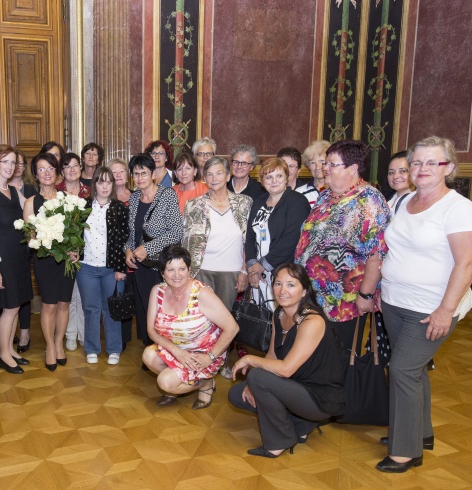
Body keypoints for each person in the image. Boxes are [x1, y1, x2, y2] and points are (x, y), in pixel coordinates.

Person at [377, 136, 472, 473]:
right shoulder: (405, 201)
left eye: (431, 163)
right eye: (416, 163)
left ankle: (405, 451)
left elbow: (468, 265)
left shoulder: (459, 209)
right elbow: (395, 249)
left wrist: (445, 310)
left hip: (431, 308)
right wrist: (382, 289)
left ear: (448, 167)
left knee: (403, 370)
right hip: (394, 302)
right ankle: (419, 433)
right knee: (414, 370)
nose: (421, 169)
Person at [228, 264, 345, 457]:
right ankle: (301, 425)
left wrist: (250, 360)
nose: (283, 290)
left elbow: (285, 370)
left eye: (291, 285)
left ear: (304, 290)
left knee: (257, 376)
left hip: (320, 397)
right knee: (237, 394)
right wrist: (252, 384)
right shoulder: (280, 314)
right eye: (278, 284)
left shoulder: (312, 321)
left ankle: (279, 441)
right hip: (295, 387)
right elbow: (273, 355)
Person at [294, 139, 390, 355]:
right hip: (313, 296)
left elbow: (377, 254)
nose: (324, 168)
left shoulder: (369, 201)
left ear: (353, 169)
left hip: (344, 301)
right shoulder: (327, 195)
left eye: (331, 164)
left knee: (338, 358)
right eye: (324, 163)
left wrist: (366, 295)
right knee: (312, 356)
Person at [143, 245, 239, 409]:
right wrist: (176, 351)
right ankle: (184, 379)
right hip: (177, 349)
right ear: (162, 273)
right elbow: (151, 330)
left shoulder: (201, 293)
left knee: (165, 382)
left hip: (204, 354)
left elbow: (233, 327)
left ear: (189, 270)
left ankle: (205, 384)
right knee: (148, 356)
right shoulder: (157, 291)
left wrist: (209, 357)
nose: (177, 275)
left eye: (182, 268)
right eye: (170, 269)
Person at [0, 144, 33, 374]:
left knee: (17, 304)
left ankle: (9, 350)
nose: (10, 167)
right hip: (3, 260)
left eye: (13, 162)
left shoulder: (13, 190)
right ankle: (3, 354)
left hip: (19, 256)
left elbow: (32, 210)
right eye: (5, 162)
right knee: (9, 308)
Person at [125, 153, 183, 345]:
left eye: (144, 173)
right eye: (136, 173)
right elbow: (131, 233)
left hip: (160, 265)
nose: (140, 178)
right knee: (143, 308)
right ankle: (148, 349)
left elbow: (176, 232)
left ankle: (163, 350)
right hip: (139, 265)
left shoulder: (167, 195)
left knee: (161, 310)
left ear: (153, 174)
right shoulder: (133, 198)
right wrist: (127, 251)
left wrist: (148, 248)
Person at [24, 153, 74, 368]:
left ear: (57, 172)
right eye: (41, 169)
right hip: (45, 260)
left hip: (66, 260)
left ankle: (59, 342)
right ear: (36, 174)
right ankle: (50, 346)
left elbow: (75, 230)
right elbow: (29, 237)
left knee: (64, 303)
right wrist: (45, 243)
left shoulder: (67, 198)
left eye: (50, 169)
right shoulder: (31, 202)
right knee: (49, 305)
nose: (46, 173)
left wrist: (74, 251)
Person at [182, 156, 252, 311]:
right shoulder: (193, 205)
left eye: (219, 173)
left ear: (228, 176)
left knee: (225, 320)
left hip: (231, 273)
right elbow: (185, 242)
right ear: (205, 178)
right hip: (200, 271)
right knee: (200, 318)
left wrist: (244, 271)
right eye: (209, 174)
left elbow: (250, 241)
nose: (214, 178)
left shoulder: (245, 203)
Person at [77, 166, 129, 365]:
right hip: (86, 267)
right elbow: (75, 235)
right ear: (94, 185)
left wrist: (120, 268)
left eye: (109, 182)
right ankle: (92, 348)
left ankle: (114, 348)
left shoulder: (119, 208)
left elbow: (124, 240)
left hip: (111, 268)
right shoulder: (83, 207)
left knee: (111, 309)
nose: (105, 186)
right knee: (91, 308)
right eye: (101, 182)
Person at [245, 158, 311, 307]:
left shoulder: (297, 201)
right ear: (262, 180)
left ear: (287, 178)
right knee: (260, 319)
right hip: (258, 274)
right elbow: (249, 236)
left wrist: (263, 265)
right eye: (269, 177)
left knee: (282, 317)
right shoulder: (259, 201)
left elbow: (291, 239)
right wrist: (252, 265)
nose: (274, 181)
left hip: (283, 272)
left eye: (279, 176)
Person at [57, 152, 89, 352]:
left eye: (75, 165)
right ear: (62, 170)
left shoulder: (89, 192)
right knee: (68, 296)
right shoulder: (56, 194)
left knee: (84, 295)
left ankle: (84, 334)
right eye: (67, 166)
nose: (72, 170)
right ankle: (70, 334)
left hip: (87, 250)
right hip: (63, 251)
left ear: (80, 168)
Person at [9, 148, 36, 353]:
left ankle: (25, 333)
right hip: (8, 244)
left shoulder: (30, 189)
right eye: (13, 162)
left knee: (25, 289)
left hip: (29, 244)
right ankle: (9, 335)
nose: (16, 167)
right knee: (9, 292)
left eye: (20, 163)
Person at [110, 157, 135, 347]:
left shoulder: (136, 196)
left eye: (121, 171)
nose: (118, 175)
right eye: (114, 172)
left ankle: (125, 338)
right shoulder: (105, 198)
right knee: (116, 296)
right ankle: (116, 339)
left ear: (127, 176)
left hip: (134, 256)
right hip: (111, 258)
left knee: (129, 297)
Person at [172, 150, 208, 214]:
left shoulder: (205, 190)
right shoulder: (170, 192)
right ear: (175, 173)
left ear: (195, 171)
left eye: (188, 168)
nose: (184, 173)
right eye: (180, 169)